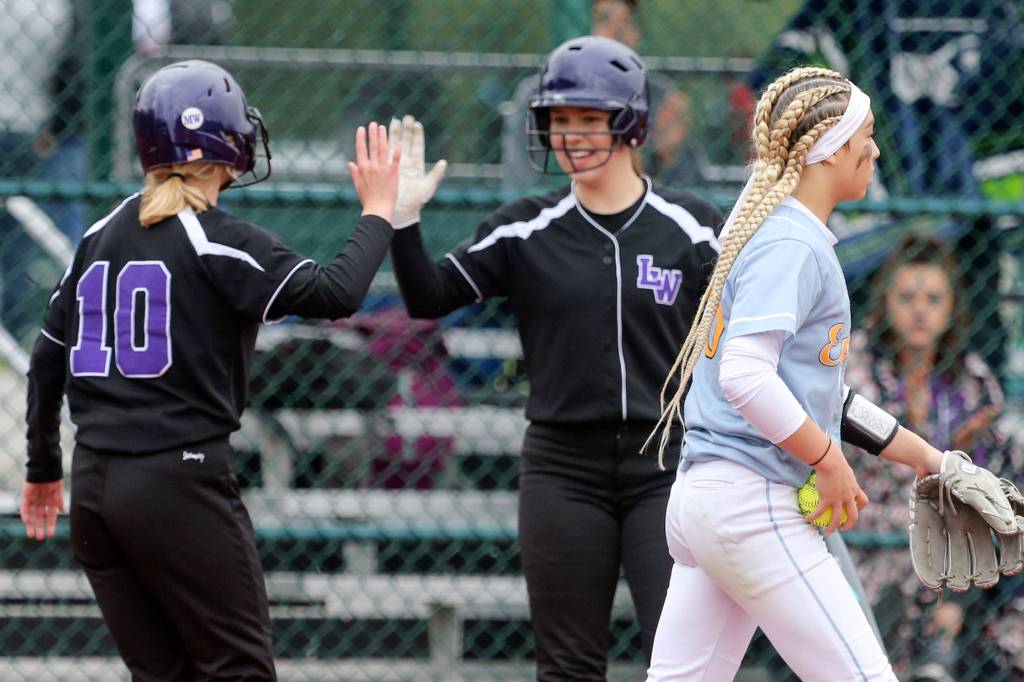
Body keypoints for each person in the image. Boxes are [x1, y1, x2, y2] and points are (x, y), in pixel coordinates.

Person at [19, 59, 400, 680]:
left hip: (93, 489)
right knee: (238, 670)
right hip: (178, 485)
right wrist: (379, 211)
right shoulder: (217, 237)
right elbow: (337, 293)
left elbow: (45, 359)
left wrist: (42, 471)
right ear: (224, 144)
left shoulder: (98, 234)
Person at [390, 36, 722, 680]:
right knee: (567, 666)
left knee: (683, 662)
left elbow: (747, 344)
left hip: (669, 465)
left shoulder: (695, 226)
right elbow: (427, 297)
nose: (570, 134)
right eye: (559, 120)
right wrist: (403, 219)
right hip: (564, 469)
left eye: (589, 118)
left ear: (630, 123)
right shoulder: (524, 227)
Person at [643, 65, 985, 681]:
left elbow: (830, 399)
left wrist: (931, 460)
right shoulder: (792, 244)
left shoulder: (783, 235)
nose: (875, 150)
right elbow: (745, 377)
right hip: (753, 500)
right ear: (828, 154)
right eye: (866, 138)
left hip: (711, 496)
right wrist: (828, 461)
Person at [844, 234, 1022, 677]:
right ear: (885, 302)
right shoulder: (858, 365)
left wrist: (973, 452)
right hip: (877, 530)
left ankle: (948, 644)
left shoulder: (972, 379)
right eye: (906, 297)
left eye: (933, 298)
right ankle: (932, 649)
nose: (920, 310)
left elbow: (1003, 467)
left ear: (952, 308)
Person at [501, 0, 707, 192]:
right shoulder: (540, 94)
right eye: (603, 19)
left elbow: (693, 194)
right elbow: (521, 186)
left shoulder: (658, 95)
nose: (616, 34)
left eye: (626, 22)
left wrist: (667, 157)